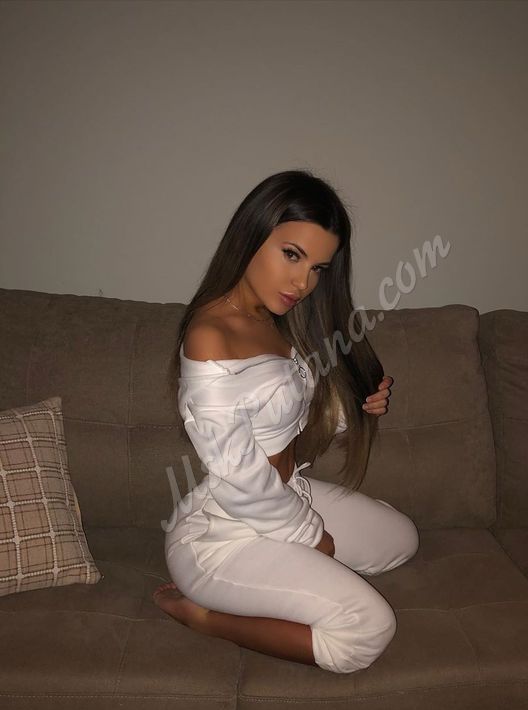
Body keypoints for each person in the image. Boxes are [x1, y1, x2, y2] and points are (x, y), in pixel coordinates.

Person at [153, 169, 419, 674]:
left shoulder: (275, 320)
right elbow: (238, 476)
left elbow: (288, 421)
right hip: (226, 534)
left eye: (317, 267)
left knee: (402, 540)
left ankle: (295, 574)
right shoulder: (211, 336)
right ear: (251, 236)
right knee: (368, 630)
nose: (303, 283)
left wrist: (355, 405)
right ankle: (204, 616)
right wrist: (310, 537)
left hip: (286, 493)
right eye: (292, 255)